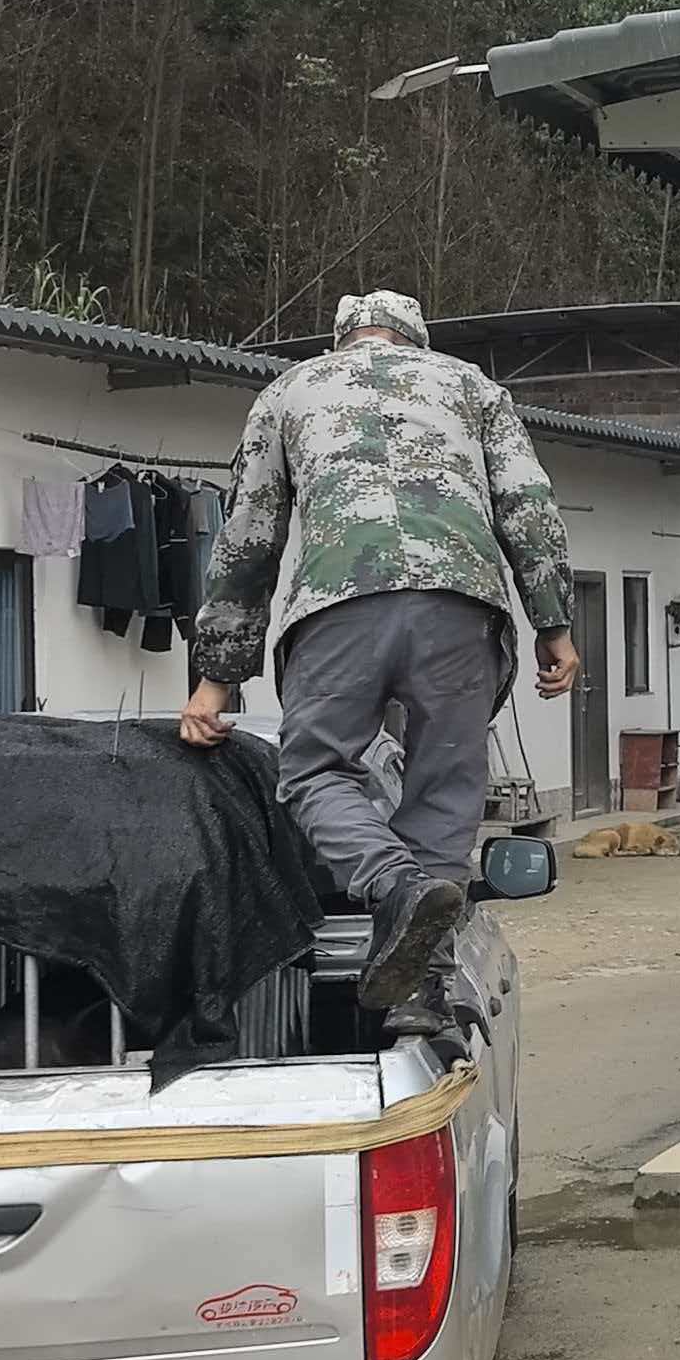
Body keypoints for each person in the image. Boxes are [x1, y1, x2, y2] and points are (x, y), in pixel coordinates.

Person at [182, 290, 577, 1030]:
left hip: (340, 603)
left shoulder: (289, 391)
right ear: (416, 340)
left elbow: (249, 535)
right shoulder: (471, 387)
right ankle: (422, 994)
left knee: (314, 773)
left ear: (341, 340)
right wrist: (554, 624)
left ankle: (394, 886)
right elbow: (528, 506)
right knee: (445, 791)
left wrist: (217, 679)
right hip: (462, 608)